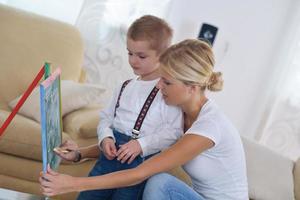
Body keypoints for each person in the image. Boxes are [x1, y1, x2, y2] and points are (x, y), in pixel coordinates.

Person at [40, 39, 249, 200]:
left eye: (166, 82)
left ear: (191, 88)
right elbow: (129, 145)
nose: (158, 87)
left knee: (159, 183)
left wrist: (72, 183)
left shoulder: (209, 126)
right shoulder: (178, 113)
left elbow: (140, 173)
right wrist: (80, 154)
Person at [53, 15, 183, 200]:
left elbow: (173, 132)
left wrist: (141, 144)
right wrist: (105, 137)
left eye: (141, 56)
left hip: (138, 165)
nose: (133, 61)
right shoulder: (125, 86)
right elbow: (106, 117)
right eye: (130, 53)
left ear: (163, 55)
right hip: (108, 158)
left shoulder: (167, 91)